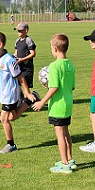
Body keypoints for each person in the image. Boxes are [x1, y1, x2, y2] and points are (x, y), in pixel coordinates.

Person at [0, 32, 39, 154]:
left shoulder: (10, 60)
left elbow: (20, 77)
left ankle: (10, 145)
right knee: (12, 117)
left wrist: (26, 92)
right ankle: (29, 101)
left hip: (10, 94)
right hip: (3, 93)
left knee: (3, 119)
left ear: (0, 44)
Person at [32, 34, 75, 174]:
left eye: (51, 47)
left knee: (60, 135)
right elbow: (71, 86)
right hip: (68, 104)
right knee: (66, 132)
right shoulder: (70, 64)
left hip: (57, 105)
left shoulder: (55, 65)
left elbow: (55, 87)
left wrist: (42, 102)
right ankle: (70, 160)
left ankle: (64, 165)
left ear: (55, 48)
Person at [14, 22, 36, 89]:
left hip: (27, 68)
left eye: (20, 30)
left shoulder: (28, 40)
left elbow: (33, 54)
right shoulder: (17, 41)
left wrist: (22, 59)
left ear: (26, 30)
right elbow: (15, 53)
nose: (19, 31)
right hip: (19, 68)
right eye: (18, 30)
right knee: (18, 87)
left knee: (26, 88)